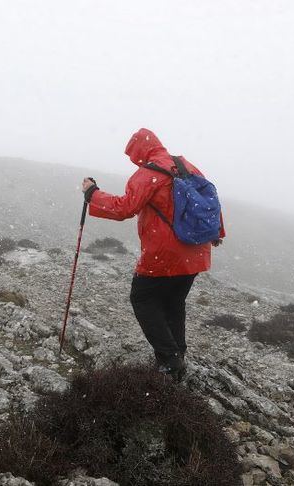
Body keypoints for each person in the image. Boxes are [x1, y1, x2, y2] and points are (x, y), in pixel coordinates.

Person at [81, 128, 225, 380]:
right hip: (195, 250)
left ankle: (170, 360)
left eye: (133, 155)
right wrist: (216, 233)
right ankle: (176, 354)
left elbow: (124, 208)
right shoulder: (185, 164)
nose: (134, 160)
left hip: (166, 252)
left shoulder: (147, 174)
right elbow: (209, 199)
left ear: (140, 150)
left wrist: (92, 194)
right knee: (173, 302)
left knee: (142, 297)